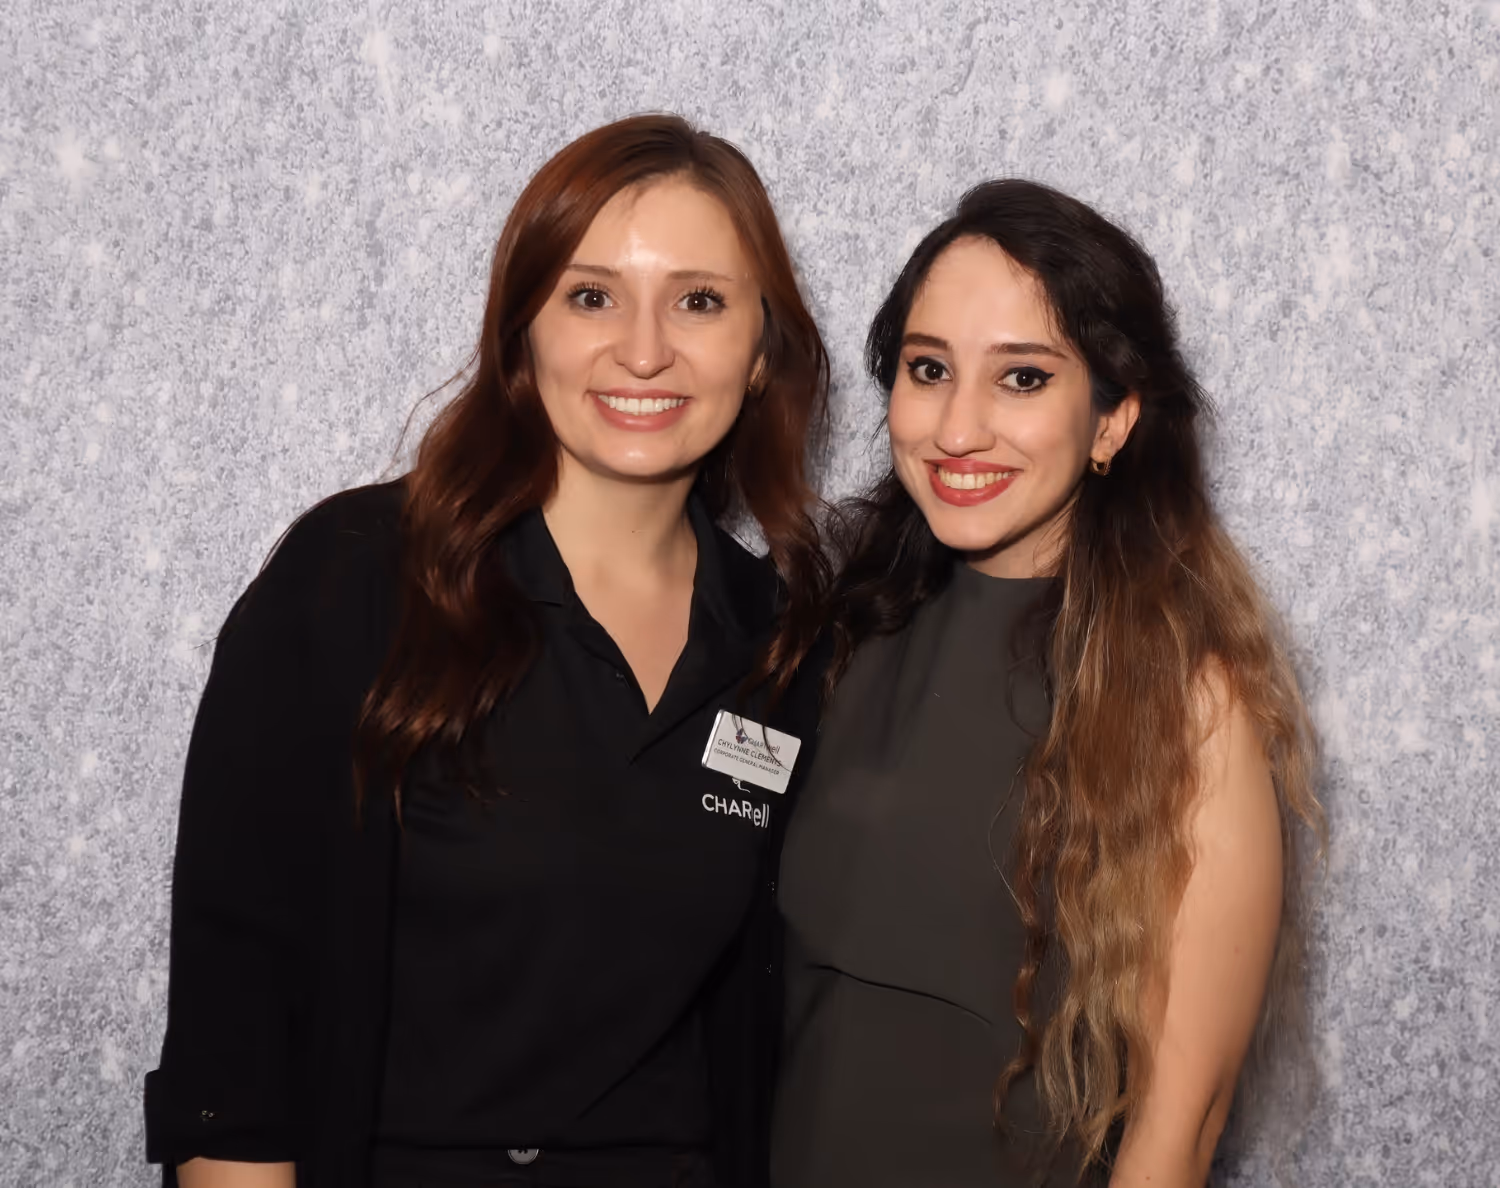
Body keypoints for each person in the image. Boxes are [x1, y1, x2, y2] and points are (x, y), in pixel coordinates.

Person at [144, 114, 831, 1188]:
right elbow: (238, 1003)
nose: (644, 349)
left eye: (699, 301)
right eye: (590, 296)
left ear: (761, 354)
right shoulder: (355, 580)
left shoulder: (782, 649)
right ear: (522, 335)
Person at [770, 180, 1325, 1187]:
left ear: (1112, 421)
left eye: (1022, 379)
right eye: (927, 369)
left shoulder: (1187, 706)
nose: (958, 427)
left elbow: (1180, 1126)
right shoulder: (833, 637)